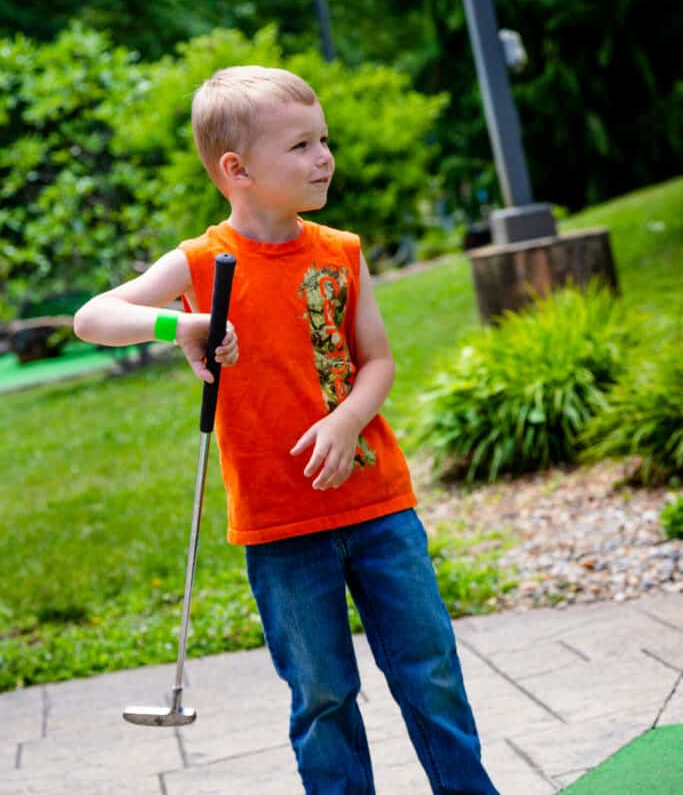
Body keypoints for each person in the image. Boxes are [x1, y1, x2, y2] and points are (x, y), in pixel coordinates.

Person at [74, 66, 500, 795]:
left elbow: (378, 362)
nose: (324, 157)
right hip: (280, 525)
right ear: (235, 170)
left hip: (377, 507)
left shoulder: (340, 251)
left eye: (324, 140)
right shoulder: (203, 263)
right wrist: (184, 322)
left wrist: (346, 418)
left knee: (431, 676)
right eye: (301, 145)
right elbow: (93, 317)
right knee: (323, 695)